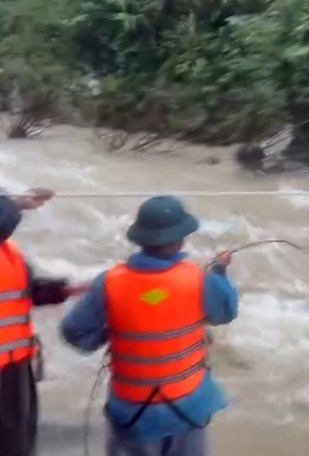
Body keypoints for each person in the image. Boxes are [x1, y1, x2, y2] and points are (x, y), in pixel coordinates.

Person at [60, 195, 239, 456]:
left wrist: (112, 334)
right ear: (180, 238)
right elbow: (225, 312)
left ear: (140, 238)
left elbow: (74, 333)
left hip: (133, 414)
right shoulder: (199, 279)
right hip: (188, 410)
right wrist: (220, 273)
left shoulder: (108, 282)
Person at [0, 187, 87, 456]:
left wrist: (66, 290)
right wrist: (16, 203)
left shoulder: (9, 253)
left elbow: (23, 291)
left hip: (14, 368)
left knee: (19, 440)